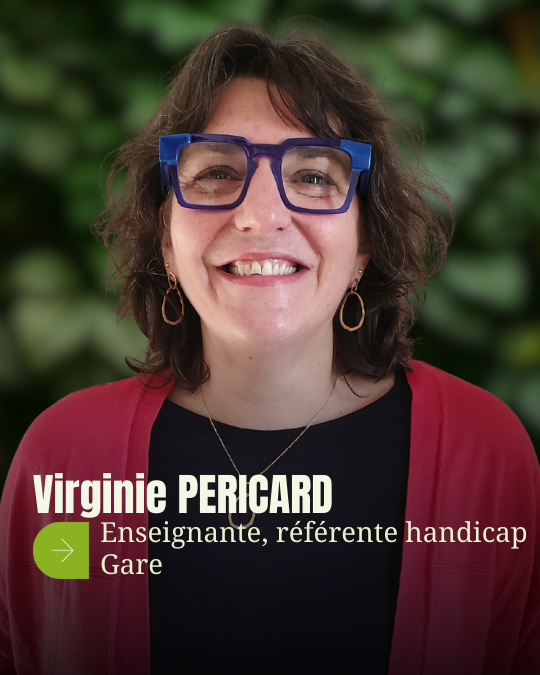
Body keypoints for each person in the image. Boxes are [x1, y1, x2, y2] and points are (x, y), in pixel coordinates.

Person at [0, 21, 539, 675]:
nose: (261, 215)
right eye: (216, 172)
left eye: (312, 176)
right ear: (167, 241)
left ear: (364, 242)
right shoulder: (65, 460)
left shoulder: (485, 453)